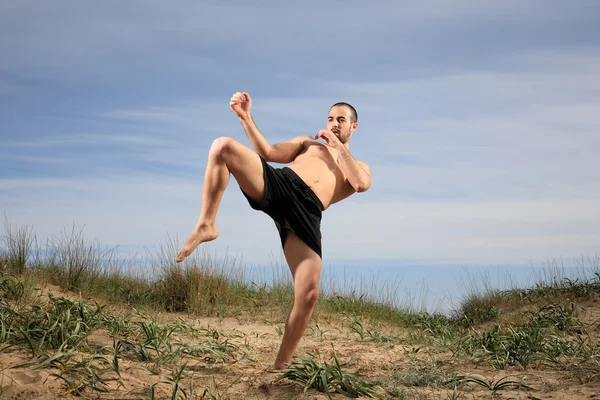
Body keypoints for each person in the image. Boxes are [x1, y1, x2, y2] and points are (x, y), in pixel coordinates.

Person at [176, 91, 371, 369]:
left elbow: (360, 184)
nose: (334, 124)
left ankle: (280, 365)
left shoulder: (358, 166)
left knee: (308, 295)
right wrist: (245, 117)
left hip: (308, 211)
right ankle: (206, 224)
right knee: (222, 146)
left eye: (341, 120)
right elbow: (267, 152)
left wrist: (339, 149)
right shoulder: (308, 143)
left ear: (354, 126)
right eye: (330, 119)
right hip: (282, 183)